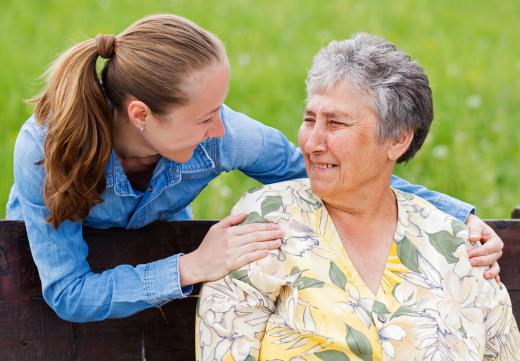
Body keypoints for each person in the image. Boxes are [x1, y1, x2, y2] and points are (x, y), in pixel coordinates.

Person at [6, 14, 501, 323]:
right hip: (49, 278)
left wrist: (456, 215)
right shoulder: (46, 152)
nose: (221, 130)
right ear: (141, 116)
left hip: (159, 259)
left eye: (220, 110)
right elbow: (69, 293)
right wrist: (193, 265)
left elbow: (331, 174)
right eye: (205, 118)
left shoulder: (227, 135)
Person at [196, 33, 519, 360]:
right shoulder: (267, 220)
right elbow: (224, 347)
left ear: (398, 140)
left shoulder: (455, 245)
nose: (312, 143)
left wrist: (459, 218)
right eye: (310, 120)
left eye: (335, 123)